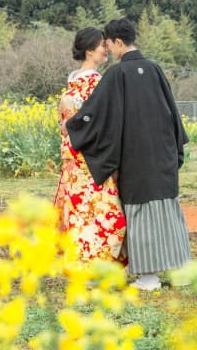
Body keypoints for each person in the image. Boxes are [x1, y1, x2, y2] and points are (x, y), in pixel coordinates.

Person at [65, 17, 191, 291]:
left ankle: (148, 278)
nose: (108, 49)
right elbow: (172, 111)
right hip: (163, 153)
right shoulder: (155, 69)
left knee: (142, 214)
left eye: (109, 43)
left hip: (136, 157)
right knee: (167, 210)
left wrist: (73, 126)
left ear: (118, 42)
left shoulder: (117, 75)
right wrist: (176, 147)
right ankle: (179, 271)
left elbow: (97, 115)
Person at [53, 27, 127, 262]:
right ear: (89, 50)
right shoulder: (94, 84)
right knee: (100, 215)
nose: (106, 49)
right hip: (91, 159)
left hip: (77, 160)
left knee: (83, 214)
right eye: (102, 45)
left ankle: (85, 265)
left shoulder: (74, 85)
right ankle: (96, 266)